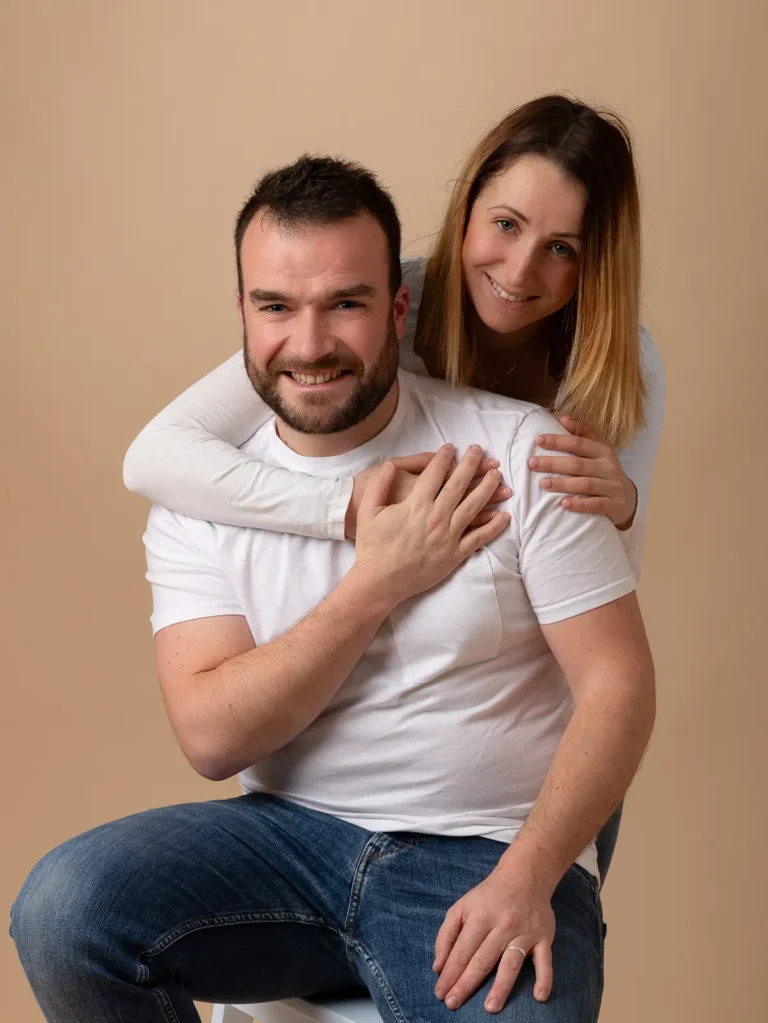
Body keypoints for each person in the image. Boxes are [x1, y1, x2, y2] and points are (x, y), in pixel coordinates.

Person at [12, 155, 655, 1023]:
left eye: (346, 304)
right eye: (277, 306)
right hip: (287, 840)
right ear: (242, 313)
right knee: (63, 912)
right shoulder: (201, 496)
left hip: (485, 852)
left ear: (399, 308)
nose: (310, 344)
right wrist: (377, 580)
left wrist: (530, 874)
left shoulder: (522, 451)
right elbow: (212, 737)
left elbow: (619, 683)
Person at [122, 96, 665, 881]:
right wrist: (346, 511)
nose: (519, 271)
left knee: (554, 875)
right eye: (505, 225)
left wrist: (628, 505)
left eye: (561, 248)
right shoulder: (374, 305)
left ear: (598, 263)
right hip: (337, 769)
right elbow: (156, 455)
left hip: (527, 758)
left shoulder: (619, 363)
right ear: (466, 210)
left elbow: (606, 604)